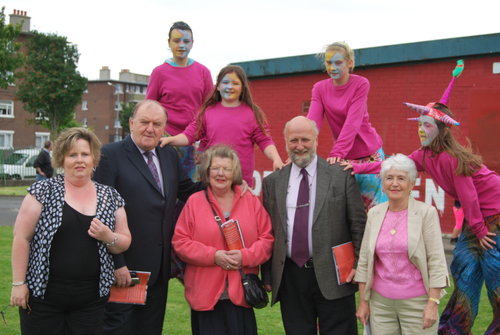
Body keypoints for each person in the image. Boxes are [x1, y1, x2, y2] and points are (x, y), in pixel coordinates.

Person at [348, 61, 499, 334]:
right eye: (419, 123)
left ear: (440, 129)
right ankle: (453, 330)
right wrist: (356, 167)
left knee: (495, 275)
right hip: (478, 221)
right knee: (464, 271)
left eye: (427, 125)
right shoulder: (424, 155)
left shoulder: (453, 159)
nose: (420, 129)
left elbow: (469, 196)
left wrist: (478, 228)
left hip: (494, 216)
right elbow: (393, 164)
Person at [93, 99, 204, 335]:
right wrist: (118, 264)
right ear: (131, 123)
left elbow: (187, 190)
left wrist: (223, 184)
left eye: (157, 124)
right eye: (144, 122)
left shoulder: (168, 155)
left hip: (159, 271)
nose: (150, 128)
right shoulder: (110, 156)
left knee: (150, 329)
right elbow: (101, 214)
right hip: (126, 269)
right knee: (120, 329)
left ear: (164, 127)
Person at [10, 127, 131, 335]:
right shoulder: (42, 192)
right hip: (43, 300)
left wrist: (108, 236)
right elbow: (22, 238)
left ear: (94, 158)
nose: (79, 160)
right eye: (72, 155)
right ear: (61, 159)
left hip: (90, 302)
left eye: (85, 154)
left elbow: (125, 240)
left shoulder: (110, 196)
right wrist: (19, 283)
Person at [261, 116, 366, 334]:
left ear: (316, 139)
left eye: (305, 140)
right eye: (294, 140)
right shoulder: (273, 182)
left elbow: (358, 224)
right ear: (285, 142)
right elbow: (268, 232)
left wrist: (360, 265)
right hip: (291, 276)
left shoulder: (340, 176)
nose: (299, 146)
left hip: (336, 274)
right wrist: (268, 275)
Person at [172, 145, 274, 335]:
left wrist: (245, 256)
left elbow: (267, 239)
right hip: (205, 293)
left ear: (234, 172)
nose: (221, 174)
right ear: (207, 171)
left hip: (242, 293)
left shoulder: (250, 201)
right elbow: (180, 242)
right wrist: (214, 255)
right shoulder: (194, 202)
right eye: (215, 168)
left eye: (227, 169)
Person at [354, 153, 449, 334]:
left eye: (401, 178)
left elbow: (436, 261)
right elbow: (365, 260)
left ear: (411, 184)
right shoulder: (374, 214)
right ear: (383, 183)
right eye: (389, 178)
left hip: (418, 305)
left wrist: (433, 303)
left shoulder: (426, 213)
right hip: (380, 305)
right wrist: (363, 302)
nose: (394, 183)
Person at [159, 65, 284, 187]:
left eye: (235, 83)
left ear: (243, 88)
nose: (230, 87)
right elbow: (189, 135)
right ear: (218, 86)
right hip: (212, 180)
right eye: (225, 82)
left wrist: (276, 158)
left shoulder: (252, 113)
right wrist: (170, 140)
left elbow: (265, 141)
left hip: (241, 182)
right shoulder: (207, 112)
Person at [306, 41, 387, 211]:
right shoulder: (320, 88)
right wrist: (302, 145)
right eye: (329, 63)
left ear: (349, 63)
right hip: (345, 158)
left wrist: (337, 152)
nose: (333, 67)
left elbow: (353, 122)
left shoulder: (360, 84)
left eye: (338, 62)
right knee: (349, 212)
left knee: (374, 211)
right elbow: (312, 123)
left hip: (369, 154)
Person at [146, 21, 213, 180]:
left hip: (194, 142)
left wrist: (203, 145)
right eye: (176, 41)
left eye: (186, 41)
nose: (181, 45)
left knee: (191, 192)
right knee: (164, 188)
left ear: (192, 43)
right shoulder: (159, 72)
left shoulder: (203, 72)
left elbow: (210, 111)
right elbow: (149, 108)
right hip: (165, 141)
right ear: (168, 42)